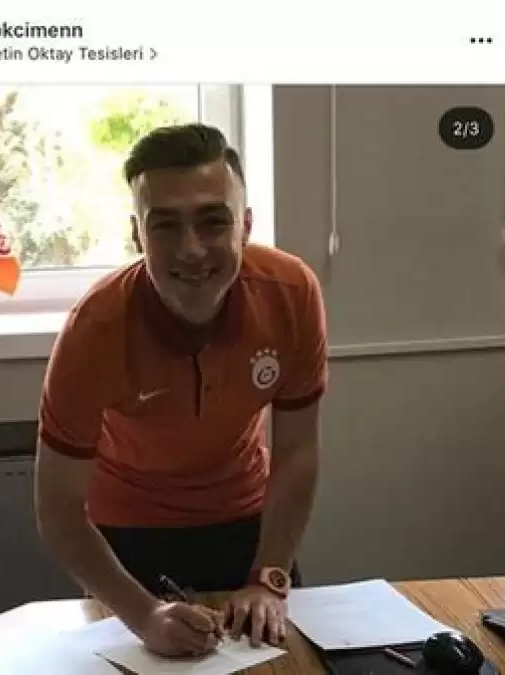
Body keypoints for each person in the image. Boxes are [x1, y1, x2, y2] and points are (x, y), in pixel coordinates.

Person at [34, 123, 328, 658]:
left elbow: (297, 451)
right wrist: (143, 615)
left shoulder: (292, 293)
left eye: (213, 221)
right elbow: (57, 506)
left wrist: (269, 578)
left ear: (245, 225)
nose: (192, 250)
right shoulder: (93, 330)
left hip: (248, 525)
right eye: (165, 225)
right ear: (137, 235)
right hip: (127, 537)